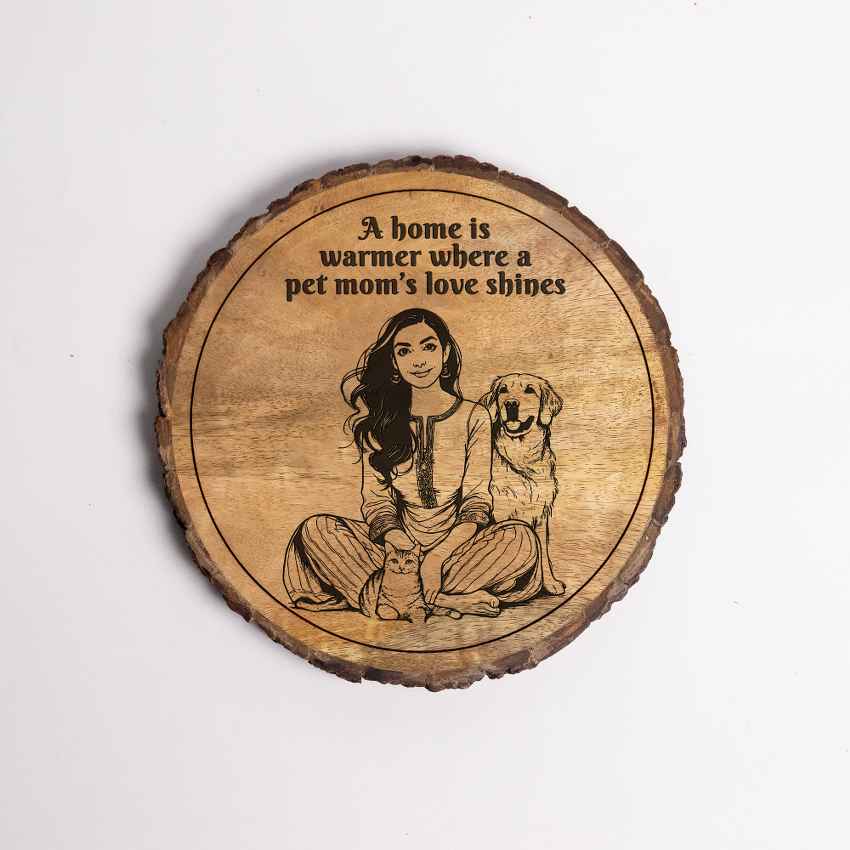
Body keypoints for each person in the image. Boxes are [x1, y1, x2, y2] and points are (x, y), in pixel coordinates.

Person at [282, 308, 544, 619]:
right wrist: (399, 542)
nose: (418, 360)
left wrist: (435, 559)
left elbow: (476, 501)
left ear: (445, 353)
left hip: (458, 548)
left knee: (520, 539)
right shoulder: (378, 421)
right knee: (316, 530)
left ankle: (395, 598)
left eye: (428, 347)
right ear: (394, 362)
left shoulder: (475, 415)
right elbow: (377, 503)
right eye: (404, 351)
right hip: (395, 549)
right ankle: (444, 601)